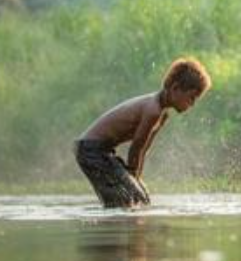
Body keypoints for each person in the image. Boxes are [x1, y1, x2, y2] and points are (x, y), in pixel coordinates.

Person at [73, 58, 211, 208]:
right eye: (191, 98)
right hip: (91, 151)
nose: (192, 104)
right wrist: (132, 176)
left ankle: (122, 226)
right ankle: (115, 229)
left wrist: (136, 178)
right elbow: (136, 147)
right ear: (175, 88)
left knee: (139, 198)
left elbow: (144, 149)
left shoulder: (161, 115)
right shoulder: (153, 110)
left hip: (98, 151)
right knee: (129, 199)